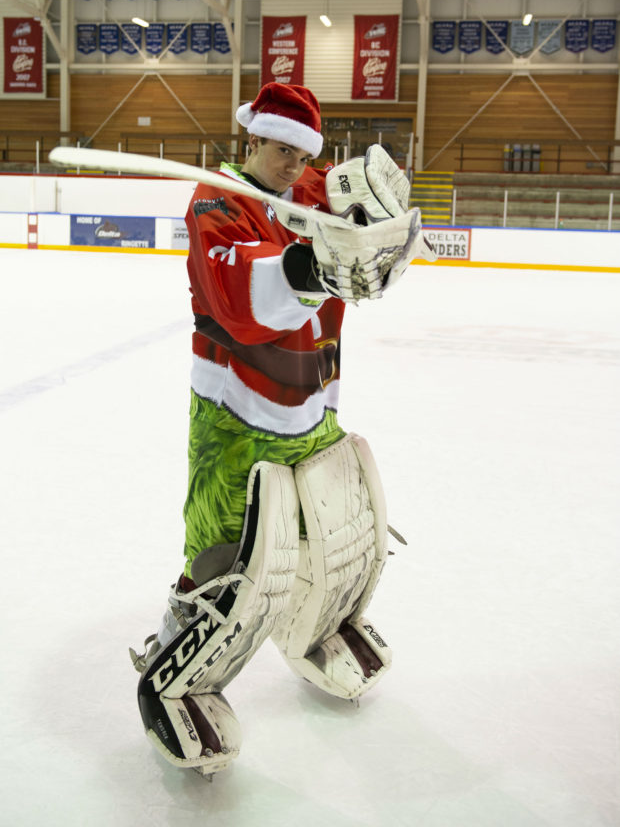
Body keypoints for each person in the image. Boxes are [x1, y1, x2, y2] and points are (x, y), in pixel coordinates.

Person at [130, 82, 429, 776]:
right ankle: (174, 668)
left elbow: (365, 216)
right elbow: (240, 302)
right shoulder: (217, 204)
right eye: (281, 150)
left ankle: (319, 626)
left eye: (303, 154)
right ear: (253, 140)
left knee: (339, 530)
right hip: (237, 413)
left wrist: (386, 231)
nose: (294, 166)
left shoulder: (311, 184)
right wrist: (318, 262)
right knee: (229, 561)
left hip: (313, 399)